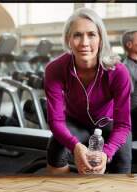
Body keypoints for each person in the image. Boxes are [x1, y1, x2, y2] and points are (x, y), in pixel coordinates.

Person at [44, 8, 132, 175]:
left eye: (91, 34)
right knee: (56, 148)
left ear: (100, 39)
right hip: (75, 122)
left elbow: (123, 125)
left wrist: (107, 153)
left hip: (109, 123)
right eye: (77, 35)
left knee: (122, 156)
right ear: (68, 39)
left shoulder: (118, 71)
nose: (84, 42)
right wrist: (75, 147)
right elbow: (55, 121)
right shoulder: (54, 69)